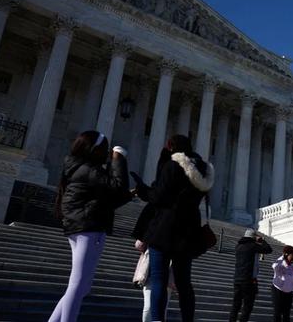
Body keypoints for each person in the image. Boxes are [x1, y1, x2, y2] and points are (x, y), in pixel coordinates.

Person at [49, 131, 131, 322]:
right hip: (89, 227)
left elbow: (106, 198)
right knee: (78, 286)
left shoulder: (78, 168)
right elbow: (118, 186)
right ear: (95, 150)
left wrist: (128, 195)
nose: (107, 153)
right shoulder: (89, 169)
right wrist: (118, 159)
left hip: (80, 225)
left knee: (81, 287)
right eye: (105, 149)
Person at [135, 134, 215, 322]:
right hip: (188, 231)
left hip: (165, 228)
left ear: (171, 147)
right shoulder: (203, 171)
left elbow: (159, 197)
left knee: (159, 281)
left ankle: (157, 320)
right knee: (184, 283)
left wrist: (143, 190)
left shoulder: (173, 165)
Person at [132, 149, 173, 322]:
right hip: (170, 263)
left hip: (155, 259)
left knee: (151, 303)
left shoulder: (154, 205)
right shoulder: (179, 205)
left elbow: (139, 244)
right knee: (160, 304)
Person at [231, 228, 273, 322]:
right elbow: (268, 249)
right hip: (248, 280)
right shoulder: (253, 246)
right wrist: (262, 240)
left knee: (236, 306)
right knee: (247, 306)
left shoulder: (238, 246)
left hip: (237, 279)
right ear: (253, 237)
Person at [272, 245, 293, 322]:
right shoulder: (279, 263)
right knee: (277, 313)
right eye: (292, 254)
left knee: (286, 314)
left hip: (288, 293)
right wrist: (283, 258)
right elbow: (274, 266)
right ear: (286, 254)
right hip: (278, 290)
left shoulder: (292, 268)